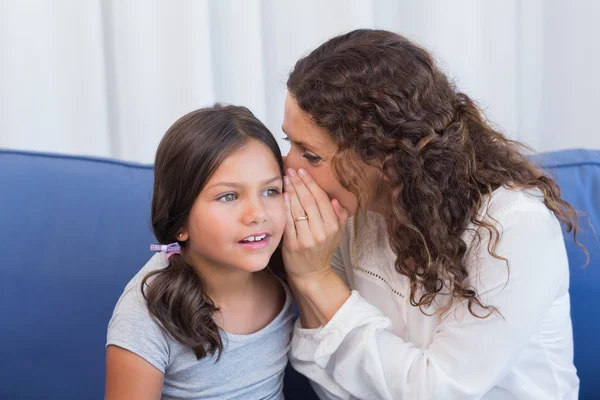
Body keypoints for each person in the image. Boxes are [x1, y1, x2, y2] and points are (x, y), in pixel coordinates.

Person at [280, 29, 583, 399]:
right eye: (288, 143)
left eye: (310, 155)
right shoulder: (348, 213)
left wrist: (315, 278)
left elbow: (436, 391)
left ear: (387, 158)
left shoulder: (513, 226)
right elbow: (321, 370)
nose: (287, 169)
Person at [105, 105, 293, 399]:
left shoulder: (289, 267)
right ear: (179, 222)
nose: (257, 214)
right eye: (228, 196)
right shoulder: (147, 314)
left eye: (270, 191)